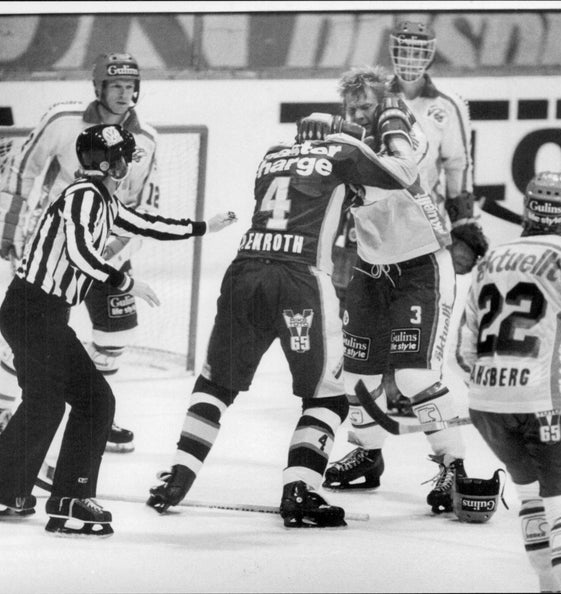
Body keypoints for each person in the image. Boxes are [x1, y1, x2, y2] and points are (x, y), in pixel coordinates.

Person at [145, 100, 422, 528]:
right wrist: (395, 127)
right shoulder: (344, 152)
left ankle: (176, 478)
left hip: (244, 273)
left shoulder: (272, 157)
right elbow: (404, 174)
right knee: (327, 396)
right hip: (301, 280)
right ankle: (300, 490)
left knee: (215, 384)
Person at [0, 124, 237, 536]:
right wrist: (128, 281)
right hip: (33, 311)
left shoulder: (104, 201)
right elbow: (80, 253)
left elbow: (147, 224)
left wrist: (205, 227)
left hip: (38, 313)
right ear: (108, 162)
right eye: (125, 157)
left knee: (50, 403)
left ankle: (3, 491)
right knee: (93, 400)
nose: (130, 164)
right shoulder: (83, 197)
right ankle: (69, 497)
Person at [0, 52, 159, 453]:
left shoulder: (146, 138)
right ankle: (0, 410)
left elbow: (143, 202)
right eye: (115, 85)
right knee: (35, 332)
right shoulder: (63, 119)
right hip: (52, 247)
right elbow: (22, 169)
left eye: (131, 85)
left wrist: (115, 250)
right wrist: (8, 229)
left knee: (117, 333)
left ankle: (95, 411)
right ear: (98, 88)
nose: (124, 93)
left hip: (109, 247)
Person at [321, 66, 475, 515]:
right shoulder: (355, 136)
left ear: (383, 101)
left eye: (366, 105)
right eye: (352, 108)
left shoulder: (402, 122)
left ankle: (454, 466)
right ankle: (368, 455)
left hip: (422, 264)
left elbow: (402, 170)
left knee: (414, 376)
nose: (359, 113)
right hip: (372, 265)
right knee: (358, 374)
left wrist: (349, 140)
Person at [458, 171, 561, 592]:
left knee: (533, 499)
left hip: (487, 405)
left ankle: (548, 586)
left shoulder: (493, 258)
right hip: (549, 399)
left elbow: (463, 352)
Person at [332, 21, 486, 417]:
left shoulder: (447, 104)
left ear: (431, 53)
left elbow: (457, 163)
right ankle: (375, 379)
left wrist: (464, 219)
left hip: (416, 217)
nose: (411, 59)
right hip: (370, 218)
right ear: (392, 51)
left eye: (420, 51)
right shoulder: (374, 95)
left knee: (410, 304)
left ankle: (404, 381)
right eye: (404, 50)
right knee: (358, 299)